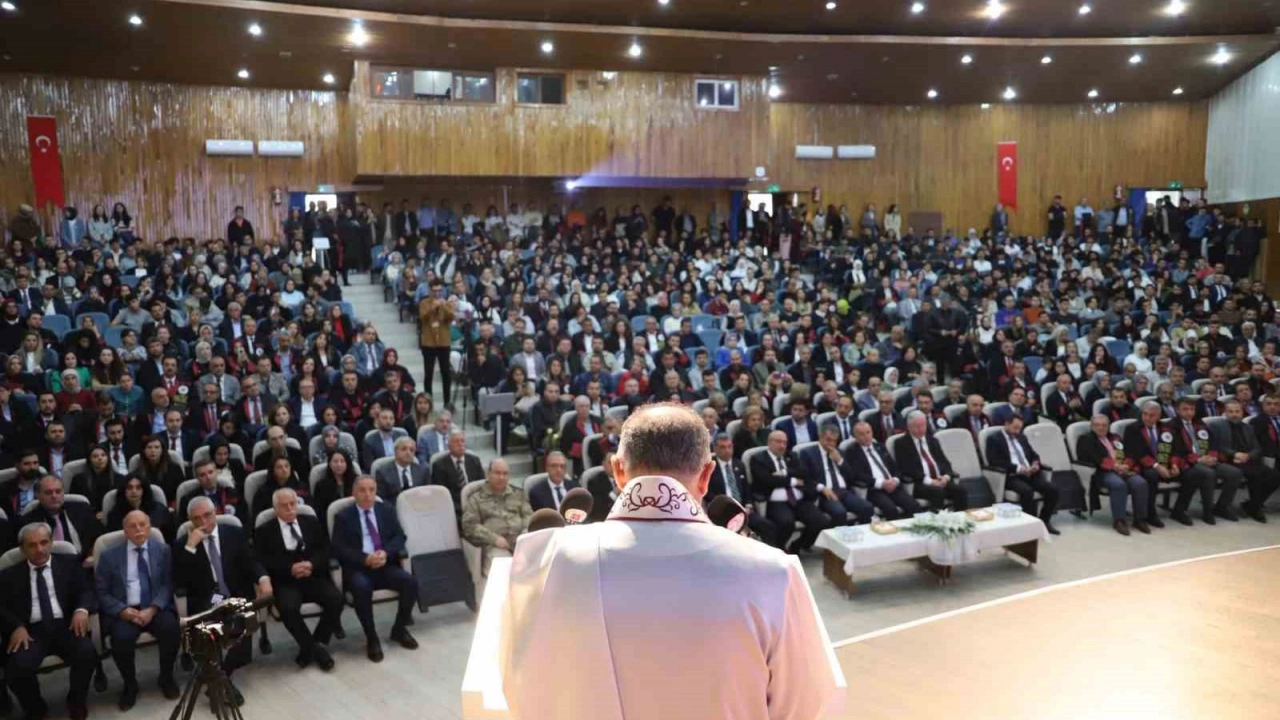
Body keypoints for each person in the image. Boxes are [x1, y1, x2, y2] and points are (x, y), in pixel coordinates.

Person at [499, 403, 836, 720]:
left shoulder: (545, 562)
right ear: (707, 475)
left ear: (618, 471)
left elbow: (519, 690)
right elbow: (805, 705)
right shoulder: (775, 572)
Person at [174, 497, 270, 703]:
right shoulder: (184, 544)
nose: (203, 522)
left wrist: (263, 579)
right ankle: (221, 685)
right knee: (212, 627)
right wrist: (191, 547)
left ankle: (219, 676)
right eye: (196, 518)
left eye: (207, 515)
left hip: (234, 593)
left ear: (216, 513)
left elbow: (250, 562)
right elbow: (180, 580)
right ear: (190, 520)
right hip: (209, 597)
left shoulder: (233, 533)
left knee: (244, 646)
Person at [0, 523, 98, 720]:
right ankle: (36, 709)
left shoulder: (70, 563)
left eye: (44, 542)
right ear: (22, 549)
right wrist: (16, 626)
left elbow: (86, 589)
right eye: (32, 545)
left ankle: (76, 701)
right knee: (17, 669)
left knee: (87, 653)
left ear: (52, 542)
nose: (40, 549)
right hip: (31, 632)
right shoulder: (8, 575)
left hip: (66, 626)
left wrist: (81, 610)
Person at [330, 477, 419, 662]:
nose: (368, 495)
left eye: (371, 490)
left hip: (384, 564)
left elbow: (400, 536)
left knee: (410, 582)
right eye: (362, 490)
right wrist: (365, 559)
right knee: (361, 588)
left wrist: (386, 553)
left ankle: (399, 629)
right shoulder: (343, 516)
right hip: (358, 568)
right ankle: (372, 637)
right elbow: (339, 548)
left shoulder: (386, 509)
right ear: (354, 493)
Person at [254, 488, 342, 672]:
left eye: (292, 504)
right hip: (286, 580)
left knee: (336, 599)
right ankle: (316, 650)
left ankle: (312, 645)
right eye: (284, 505)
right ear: (275, 508)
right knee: (288, 608)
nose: (289, 508)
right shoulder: (264, 530)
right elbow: (263, 560)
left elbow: (326, 549)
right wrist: (289, 568)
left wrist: (311, 564)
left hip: (313, 575)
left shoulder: (310, 522)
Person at [749, 429, 831, 554]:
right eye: (778, 442)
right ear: (769, 442)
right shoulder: (758, 459)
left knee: (821, 521)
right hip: (776, 501)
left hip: (798, 498)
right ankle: (779, 549)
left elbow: (804, 472)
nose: (782, 445)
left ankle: (796, 546)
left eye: (785, 442)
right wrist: (793, 481)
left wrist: (784, 472)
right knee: (787, 523)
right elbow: (768, 480)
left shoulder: (791, 456)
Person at [985, 414, 1061, 535]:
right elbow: (995, 461)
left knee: (1053, 490)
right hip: (1012, 475)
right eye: (1015, 428)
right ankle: (1031, 525)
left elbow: (1033, 455)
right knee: (1027, 491)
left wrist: (1035, 463)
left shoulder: (1021, 437)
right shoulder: (994, 439)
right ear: (1006, 424)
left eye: (1019, 428)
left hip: (1030, 473)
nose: (1017, 431)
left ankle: (1044, 521)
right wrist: (1019, 468)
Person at [1076, 414, 1152, 535]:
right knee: (1119, 485)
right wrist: (1114, 466)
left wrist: (1127, 465)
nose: (1101, 428)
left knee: (1140, 483)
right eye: (1097, 425)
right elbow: (1092, 457)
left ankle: (1139, 519)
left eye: (1104, 425)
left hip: (1123, 469)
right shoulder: (1086, 439)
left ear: (1109, 426)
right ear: (1091, 426)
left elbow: (1129, 452)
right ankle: (1119, 521)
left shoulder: (1115, 437)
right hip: (1102, 472)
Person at [1211, 399, 1278, 524]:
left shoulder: (1248, 427)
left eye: (1237, 411)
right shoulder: (1217, 426)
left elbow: (1257, 448)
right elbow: (1218, 446)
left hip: (1247, 460)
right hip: (1228, 460)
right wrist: (1235, 454)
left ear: (1242, 412)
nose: (1234, 414)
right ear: (1225, 413)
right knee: (1255, 475)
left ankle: (1252, 505)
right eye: (1231, 412)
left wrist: (1248, 456)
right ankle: (1254, 508)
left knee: (1275, 476)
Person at [461, 458, 532, 576]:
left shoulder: (518, 494)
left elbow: (528, 515)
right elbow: (469, 526)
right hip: (495, 546)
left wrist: (525, 531)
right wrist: (494, 539)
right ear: (488, 474)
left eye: (505, 473)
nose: (501, 477)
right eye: (497, 473)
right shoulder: (476, 498)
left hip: (520, 542)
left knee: (540, 565)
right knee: (506, 572)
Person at [705, 433, 777, 546]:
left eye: (729, 447)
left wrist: (748, 504)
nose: (727, 450)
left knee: (768, 527)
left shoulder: (739, 464)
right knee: (738, 536)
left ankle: (767, 555)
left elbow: (746, 488)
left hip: (743, 510)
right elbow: (708, 494)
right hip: (723, 512)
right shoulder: (710, 467)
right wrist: (728, 506)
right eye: (723, 447)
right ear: (715, 448)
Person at [845, 421, 921, 520]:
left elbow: (894, 467)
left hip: (893, 486)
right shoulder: (852, 452)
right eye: (862, 434)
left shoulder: (880, 446)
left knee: (913, 505)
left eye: (868, 432)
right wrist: (881, 483)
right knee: (890, 509)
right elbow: (858, 475)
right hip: (874, 490)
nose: (866, 436)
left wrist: (895, 480)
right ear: (855, 437)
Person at [895, 412, 970, 511]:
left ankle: (960, 517)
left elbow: (945, 462)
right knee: (938, 492)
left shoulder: (933, 440)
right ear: (908, 427)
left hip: (939, 480)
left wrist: (946, 477)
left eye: (923, 425)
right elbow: (907, 469)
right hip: (919, 483)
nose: (920, 429)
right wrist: (930, 481)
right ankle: (936, 519)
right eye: (916, 426)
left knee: (961, 490)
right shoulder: (901, 443)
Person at [21, 476, 104, 563]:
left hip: (84, 562)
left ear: (63, 492)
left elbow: (99, 537)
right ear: (38, 495)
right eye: (48, 493)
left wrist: (92, 556)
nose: (54, 496)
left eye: (58, 491)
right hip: (47, 565)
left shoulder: (82, 509)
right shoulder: (28, 521)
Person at [418, 279, 455, 409]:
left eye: (439, 290)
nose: (437, 293)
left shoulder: (447, 302)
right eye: (434, 291)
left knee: (446, 374)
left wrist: (443, 306)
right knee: (428, 374)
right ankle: (428, 404)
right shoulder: (424, 303)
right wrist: (432, 308)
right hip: (428, 343)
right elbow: (423, 318)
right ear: (430, 290)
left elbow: (451, 318)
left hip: (443, 342)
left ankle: (447, 403)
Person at [430, 431, 484, 517]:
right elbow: (441, 495)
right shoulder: (439, 466)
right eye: (456, 441)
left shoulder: (474, 460)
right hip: (453, 507)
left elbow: (482, 485)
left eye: (462, 441)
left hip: (475, 503)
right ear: (449, 445)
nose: (460, 444)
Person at [373, 437, 428, 506]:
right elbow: (381, 499)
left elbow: (427, 495)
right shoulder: (382, 472)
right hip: (394, 508)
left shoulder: (423, 471)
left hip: (418, 507)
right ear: (395, 451)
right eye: (404, 449)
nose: (408, 453)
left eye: (411, 450)